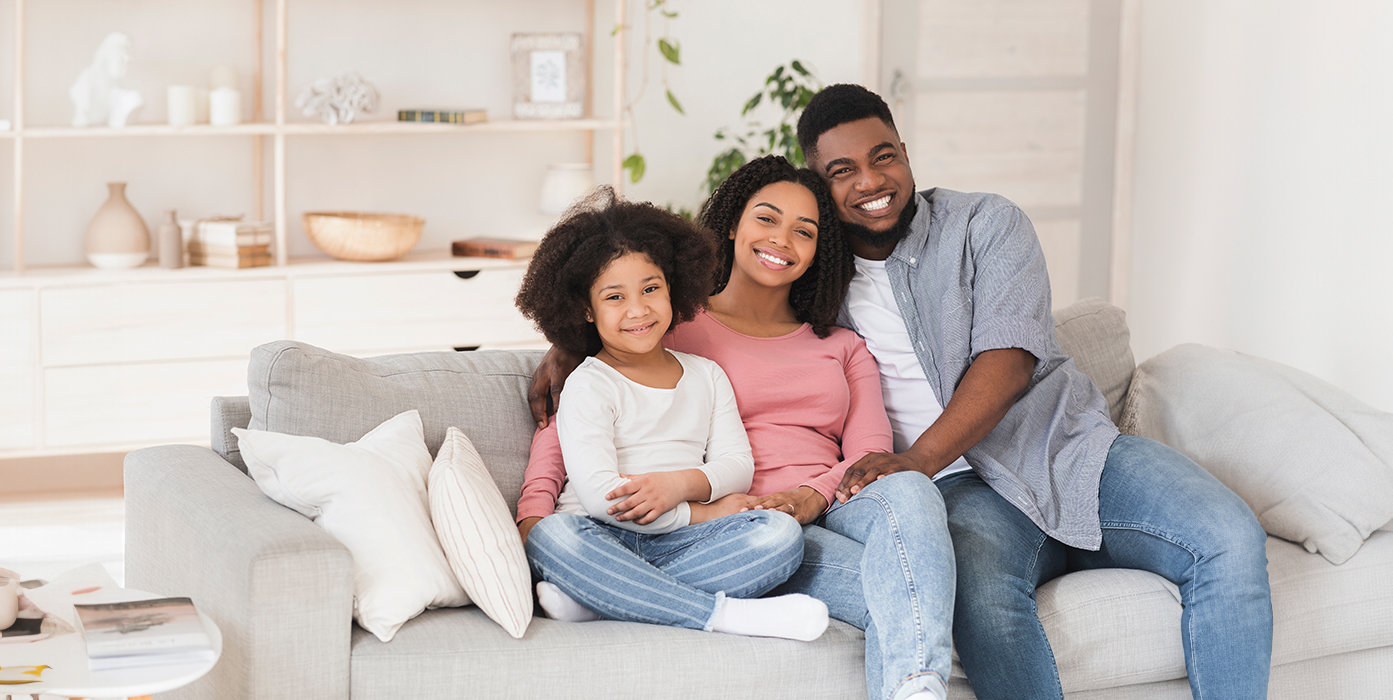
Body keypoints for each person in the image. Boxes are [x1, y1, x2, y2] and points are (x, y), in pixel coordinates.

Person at [795, 83, 1274, 700]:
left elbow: (1009, 361)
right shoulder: (813, 281)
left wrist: (914, 461)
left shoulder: (985, 223)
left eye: (883, 156)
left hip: (1066, 446)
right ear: (817, 182)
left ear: (906, 153)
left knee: (1229, 537)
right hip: (959, 493)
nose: (869, 180)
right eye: (842, 171)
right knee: (984, 611)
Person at [522, 157, 954, 700]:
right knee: (899, 597)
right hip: (728, 524)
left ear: (822, 249)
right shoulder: (668, 322)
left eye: (805, 231)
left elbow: (871, 455)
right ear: (732, 223)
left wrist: (808, 497)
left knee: (910, 490)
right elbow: (573, 419)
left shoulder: (842, 345)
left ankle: (916, 685)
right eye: (767, 219)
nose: (782, 239)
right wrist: (534, 514)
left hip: (826, 504)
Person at [513, 187, 831, 643]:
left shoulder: (707, 376)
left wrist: (677, 485)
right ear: (585, 309)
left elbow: (737, 467)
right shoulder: (589, 382)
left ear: (673, 287)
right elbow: (605, 500)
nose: (638, 310)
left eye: (650, 289)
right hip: (601, 534)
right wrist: (701, 513)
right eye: (614, 297)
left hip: (683, 547)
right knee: (553, 539)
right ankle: (723, 616)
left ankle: (602, 600)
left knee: (779, 537)